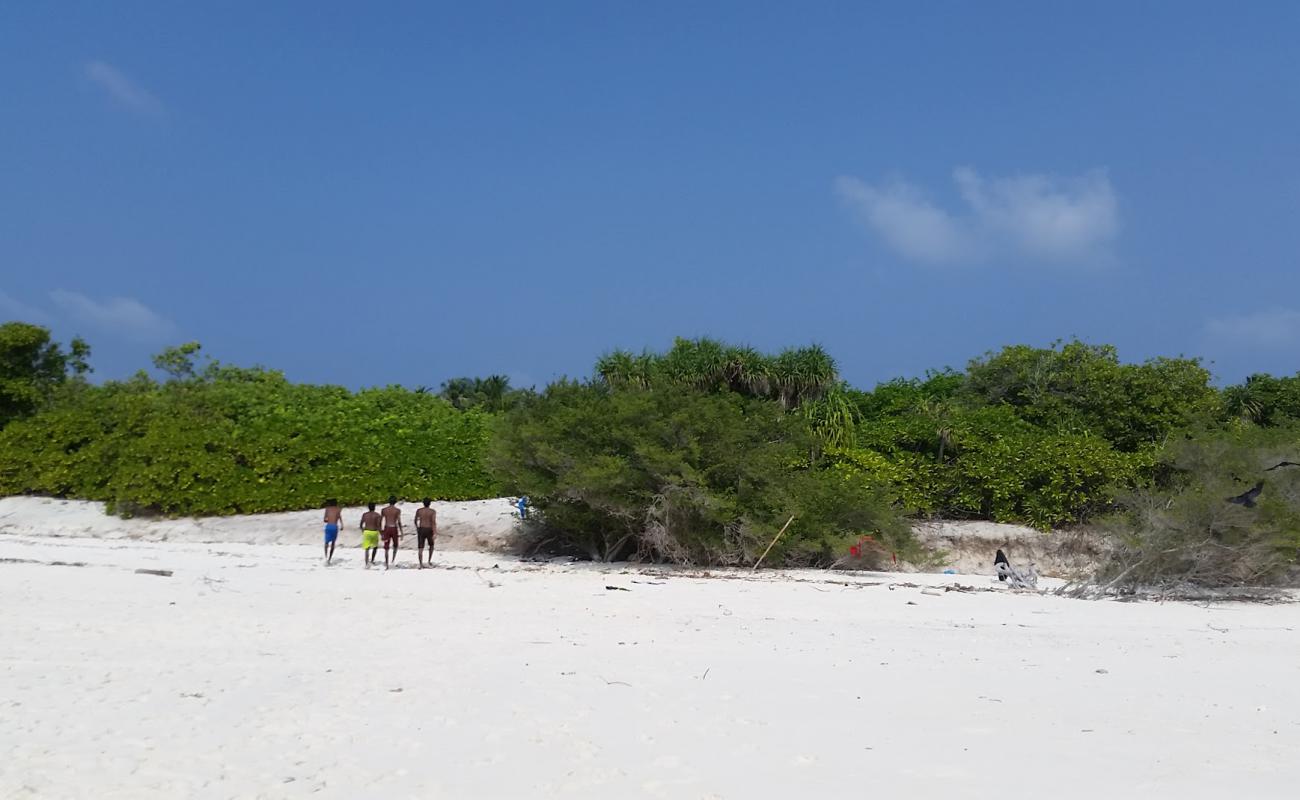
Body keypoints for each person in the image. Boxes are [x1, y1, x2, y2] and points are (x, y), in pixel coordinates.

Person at [380, 495, 404, 569]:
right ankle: (393, 560)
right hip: (394, 528)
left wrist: (381, 531)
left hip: (387, 527)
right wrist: (402, 532)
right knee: (395, 545)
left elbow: (380, 521)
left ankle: (386, 563)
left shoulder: (384, 510)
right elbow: (399, 522)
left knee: (386, 546)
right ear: (395, 502)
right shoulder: (397, 510)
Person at [414, 497, 437, 568]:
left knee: (420, 547)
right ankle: (429, 561)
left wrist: (417, 528)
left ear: (423, 503)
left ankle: (420, 563)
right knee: (431, 546)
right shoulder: (432, 511)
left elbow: (415, 520)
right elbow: (433, 522)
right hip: (429, 529)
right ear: (430, 503)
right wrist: (435, 532)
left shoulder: (419, 511)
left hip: (421, 529)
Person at [359, 503, 382, 569]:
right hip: (374, 532)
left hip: (367, 531)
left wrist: (363, 530)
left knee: (367, 548)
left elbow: (361, 524)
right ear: (374, 507)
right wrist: (381, 533)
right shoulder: (377, 515)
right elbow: (378, 526)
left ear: (368, 507)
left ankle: (366, 563)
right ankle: (372, 560)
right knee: (375, 547)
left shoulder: (365, 514)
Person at [322, 499, 343, 565]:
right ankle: (330, 558)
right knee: (333, 543)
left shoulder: (327, 509)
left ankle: (326, 557)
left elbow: (325, 519)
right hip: (334, 526)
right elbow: (340, 518)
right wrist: (342, 525)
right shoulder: (338, 509)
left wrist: (328, 520)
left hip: (328, 526)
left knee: (326, 542)